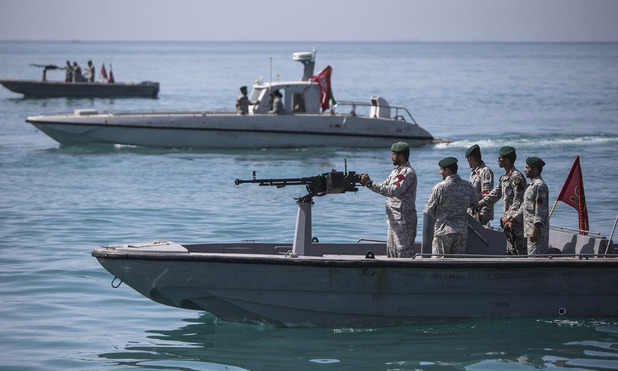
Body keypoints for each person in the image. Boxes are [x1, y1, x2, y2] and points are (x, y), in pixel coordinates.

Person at [360, 142, 417, 258]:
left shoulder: (407, 173)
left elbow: (392, 191)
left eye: (393, 154)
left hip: (403, 221)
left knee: (403, 253)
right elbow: (384, 185)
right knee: (392, 252)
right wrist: (368, 182)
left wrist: (370, 183)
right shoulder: (396, 171)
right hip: (394, 220)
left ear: (400, 156)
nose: (391, 157)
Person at [477, 146, 527, 254]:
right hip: (507, 223)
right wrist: (478, 205)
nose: (498, 160)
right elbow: (494, 195)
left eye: (500, 158)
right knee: (510, 251)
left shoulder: (516, 177)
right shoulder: (504, 178)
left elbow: (519, 201)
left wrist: (509, 217)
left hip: (516, 223)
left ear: (507, 160)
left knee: (519, 251)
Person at [425, 157, 478, 256]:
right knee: (457, 264)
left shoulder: (439, 187)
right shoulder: (468, 186)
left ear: (447, 170)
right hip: (461, 232)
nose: (440, 172)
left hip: (443, 230)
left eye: (441, 169)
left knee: (439, 263)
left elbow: (430, 209)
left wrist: (441, 217)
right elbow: (475, 203)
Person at [506, 157, 549, 255]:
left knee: (535, 260)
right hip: (529, 231)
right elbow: (524, 207)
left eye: (527, 167)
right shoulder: (531, 185)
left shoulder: (540, 186)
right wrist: (512, 220)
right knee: (531, 258)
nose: (524, 170)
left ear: (534, 169)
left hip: (537, 233)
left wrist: (536, 230)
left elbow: (540, 210)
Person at [465, 144, 494, 225]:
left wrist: (482, 214)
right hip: (472, 215)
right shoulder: (474, 173)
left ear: (470, 158)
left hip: (480, 217)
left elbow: (487, 195)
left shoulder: (485, 171)